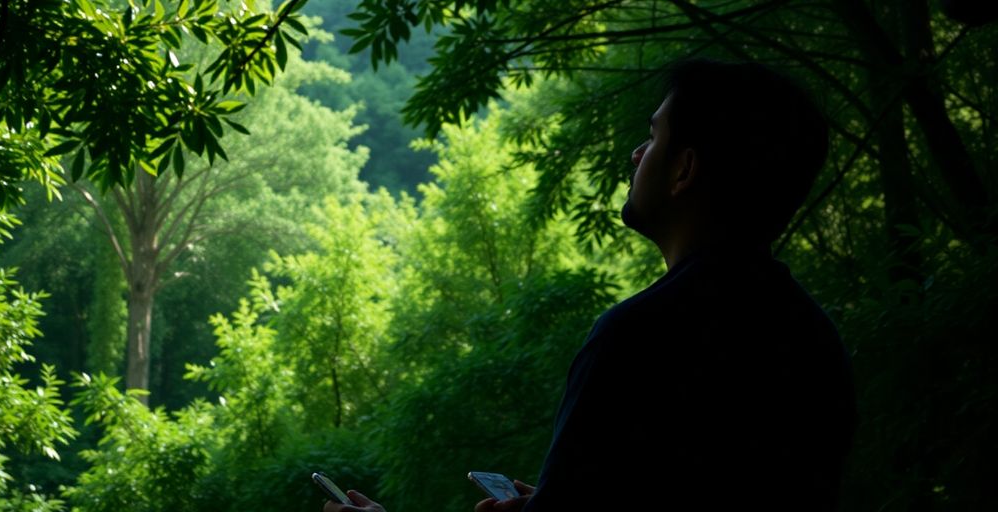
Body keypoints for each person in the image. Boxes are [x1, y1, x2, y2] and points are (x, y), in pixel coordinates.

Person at [324, 58, 857, 512]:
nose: (637, 154)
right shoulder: (813, 340)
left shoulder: (639, 337)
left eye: (653, 138)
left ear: (684, 170)